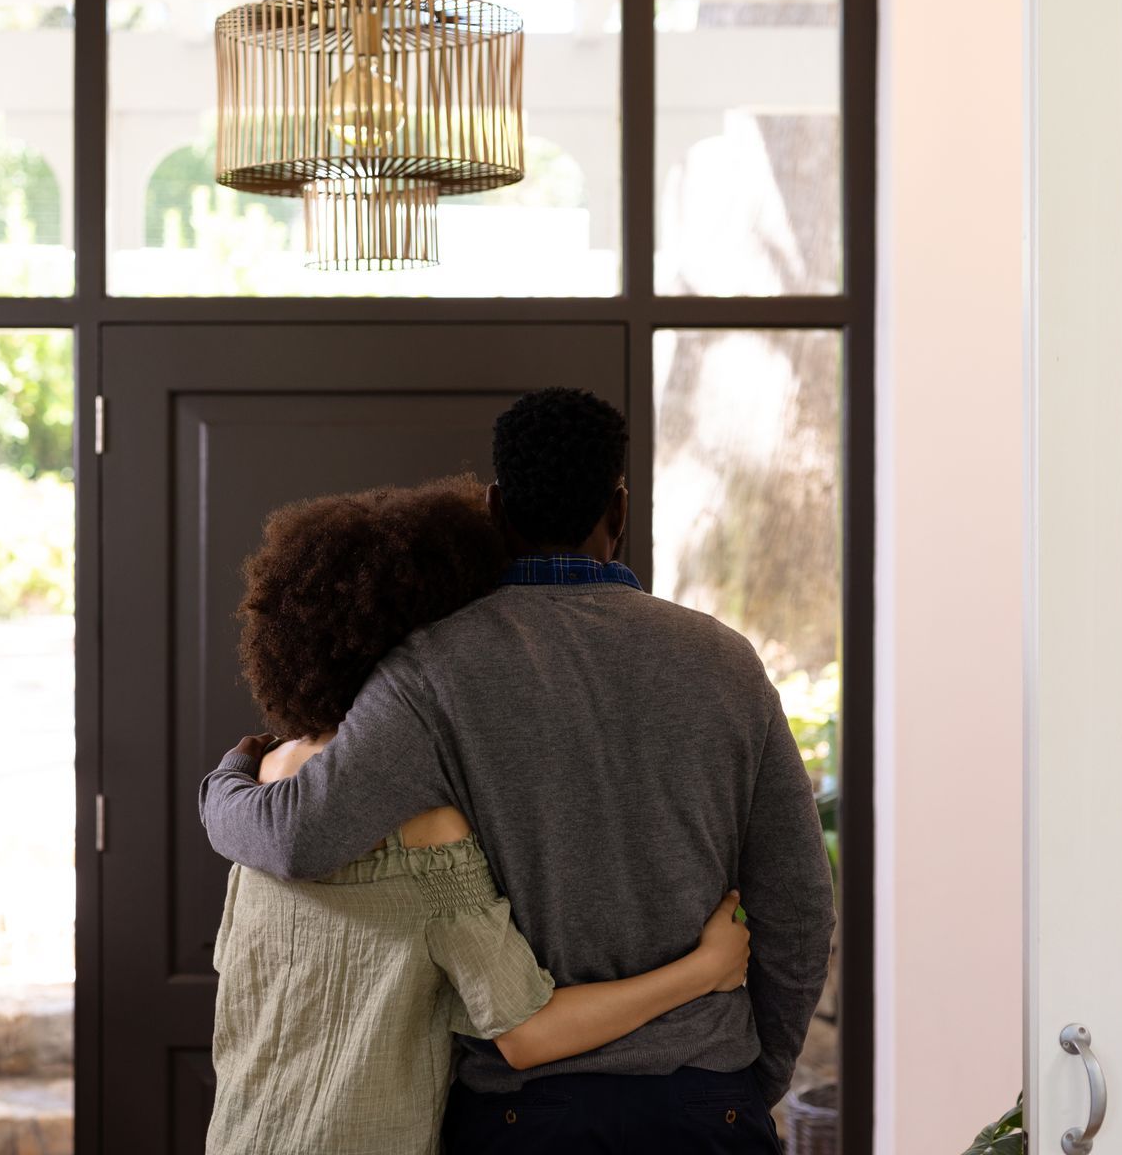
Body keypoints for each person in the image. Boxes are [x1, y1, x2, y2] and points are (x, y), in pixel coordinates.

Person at [200, 387, 835, 1153]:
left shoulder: (430, 672)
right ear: (619, 510)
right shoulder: (726, 663)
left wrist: (229, 778)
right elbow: (799, 909)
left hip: (519, 1117)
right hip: (706, 1103)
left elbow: (301, 836)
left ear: (497, 509)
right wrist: (745, 1082)